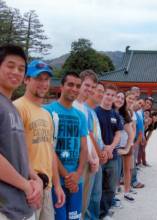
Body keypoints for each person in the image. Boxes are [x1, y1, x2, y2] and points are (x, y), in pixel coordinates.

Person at [14, 60, 65, 220]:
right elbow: (13, 151)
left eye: (47, 79)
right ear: (26, 79)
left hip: (46, 187)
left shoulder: (46, 114)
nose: (43, 83)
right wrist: (28, 182)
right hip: (28, 187)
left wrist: (57, 185)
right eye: (38, 78)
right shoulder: (18, 107)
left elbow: (50, 151)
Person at [0, 44, 42, 220]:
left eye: (21, 69)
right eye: (10, 66)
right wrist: (26, 185)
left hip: (22, 206)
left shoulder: (13, 108)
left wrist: (36, 178)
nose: (16, 72)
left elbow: (19, 153)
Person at [44, 71, 88, 220]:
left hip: (77, 180)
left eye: (77, 86)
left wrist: (78, 174)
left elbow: (84, 148)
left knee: (74, 217)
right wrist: (67, 177)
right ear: (61, 86)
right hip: (56, 180)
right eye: (70, 84)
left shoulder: (80, 116)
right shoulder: (48, 111)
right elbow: (48, 148)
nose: (74, 89)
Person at [72, 69, 100, 219]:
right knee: (77, 202)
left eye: (92, 87)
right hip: (78, 161)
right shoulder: (74, 106)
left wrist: (95, 157)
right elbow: (79, 138)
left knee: (84, 202)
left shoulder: (86, 109)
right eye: (87, 85)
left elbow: (88, 135)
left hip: (89, 160)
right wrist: (90, 158)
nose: (90, 89)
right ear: (80, 84)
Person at [95, 84, 123, 219]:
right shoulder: (94, 112)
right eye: (108, 94)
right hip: (98, 155)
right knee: (96, 188)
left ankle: (103, 213)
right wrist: (103, 149)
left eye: (113, 95)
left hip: (113, 156)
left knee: (111, 187)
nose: (110, 97)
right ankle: (94, 214)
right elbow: (93, 134)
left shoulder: (115, 115)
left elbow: (118, 134)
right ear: (103, 94)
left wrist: (110, 147)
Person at [84, 82, 108, 220]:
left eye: (102, 92)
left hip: (98, 156)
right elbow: (89, 134)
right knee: (89, 194)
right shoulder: (85, 110)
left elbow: (98, 135)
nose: (100, 94)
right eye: (98, 90)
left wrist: (103, 149)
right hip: (91, 157)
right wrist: (99, 153)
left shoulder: (93, 111)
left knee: (96, 194)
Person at [114, 92, 135, 202]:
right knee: (116, 171)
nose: (120, 100)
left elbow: (131, 132)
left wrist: (128, 147)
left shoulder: (125, 113)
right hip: (114, 146)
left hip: (125, 144)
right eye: (118, 97)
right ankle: (115, 192)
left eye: (122, 98)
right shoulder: (110, 111)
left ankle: (127, 191)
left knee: (127, 170)